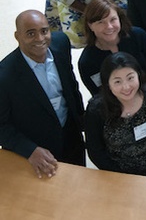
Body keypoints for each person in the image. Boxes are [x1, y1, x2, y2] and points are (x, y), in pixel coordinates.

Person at [0, 10, 85, 177]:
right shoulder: (4, 76)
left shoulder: (61, 44)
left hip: (72, 139)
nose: (40, 39)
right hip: (37, 154)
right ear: (17, 36)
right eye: (31, 33)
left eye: (44, 31)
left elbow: (71, 86)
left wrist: (81, 120)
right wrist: (30, 150)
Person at [84, 52, 146, 176]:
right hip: (116, 176)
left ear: (138, 75)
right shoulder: (96, 110)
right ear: (108, 84)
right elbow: (96, 152)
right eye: (117, 82)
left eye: (130, 78)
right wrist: (122, 178)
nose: (126, 87)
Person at [79, 0, 146, 94]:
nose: (109, 27)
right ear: (90, 26)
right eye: (101, 22)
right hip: (116, 107)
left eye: (113, 19)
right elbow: (99, 96)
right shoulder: (87, 62)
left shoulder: (138, 36)